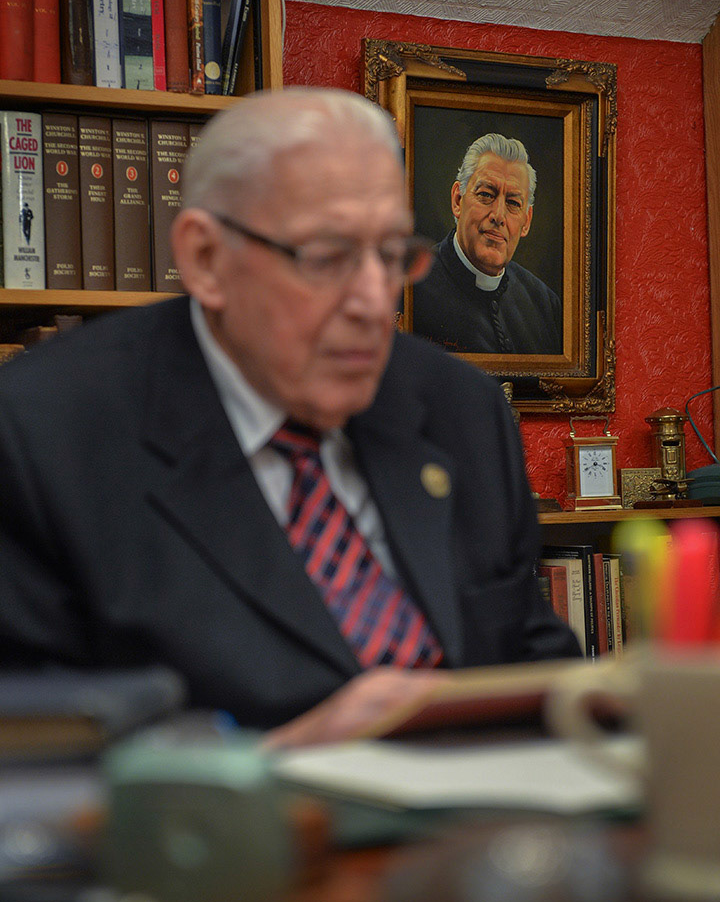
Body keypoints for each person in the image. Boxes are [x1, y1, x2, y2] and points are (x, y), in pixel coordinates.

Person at [0, 89, 579, 747]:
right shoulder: (41, 434)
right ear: (207, 259)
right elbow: (28, 757)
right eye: (326, 257)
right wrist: (268, 760)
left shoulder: (461, 409)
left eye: (391, 255)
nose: (371, 302)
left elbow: (533, 658)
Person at [413, 132, 562, 355]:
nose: (498, 215)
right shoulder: (410, 289)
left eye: (513, 203)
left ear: (526, 221)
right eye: (486, 194)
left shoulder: (545, 305)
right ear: (457, 200)